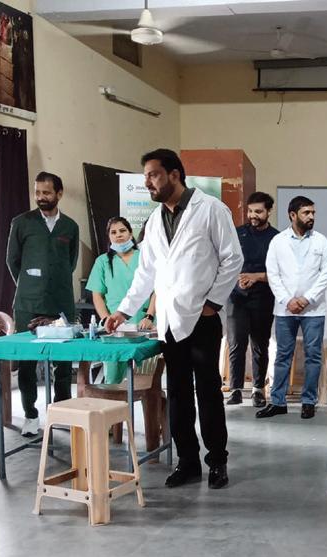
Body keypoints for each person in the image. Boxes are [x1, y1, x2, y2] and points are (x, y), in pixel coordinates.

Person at [105, 149, 243, 490]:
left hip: (202, 318)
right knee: (178, 393)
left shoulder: (210, 209)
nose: (148, 183)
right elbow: (145, 273)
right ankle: (188, 462)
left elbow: (232, 259)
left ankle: (217, 461)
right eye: (145, 177)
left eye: (153, 175)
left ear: (174, 175)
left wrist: (212, 303)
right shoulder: (154, 221)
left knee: (208, 392)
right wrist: (123, 311)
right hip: (169, 321)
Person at [5, 171, 80, 436]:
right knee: (27, 361)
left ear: (59, 194)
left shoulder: (70, 227)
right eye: (37, 192)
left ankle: (61, 411)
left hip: (60, 302)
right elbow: (12, 260)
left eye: (46, 192)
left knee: (63, 361)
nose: (41, 197)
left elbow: (70, 262)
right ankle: (30, 415)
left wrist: (53, 282)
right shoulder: (21, 223)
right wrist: (30, 283)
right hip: (28, 302)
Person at [258, 196, 327, 420]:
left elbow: (326, 274)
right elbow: (273, 274)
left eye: (313, 213)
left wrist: (307, 299)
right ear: (292, 215)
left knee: (313, 356)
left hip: (314, 309)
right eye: (306, 213)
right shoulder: (278, 241)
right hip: (285, 309)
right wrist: (287, 300)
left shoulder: (321, 241)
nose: (311, 217)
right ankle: (278, 402)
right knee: (283, 355)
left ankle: (308, 401)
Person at [226, 192, 281, 408]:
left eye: (258, 211)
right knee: (236, 343)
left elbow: (280, 273)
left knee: (260, 344)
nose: (253, 215)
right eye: (250, 211)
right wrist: (238, 279)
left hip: (263, 297)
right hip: (237, 297)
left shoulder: (277, 239)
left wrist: (256, 277)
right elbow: (225, 262)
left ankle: (258, 389)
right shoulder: (237, 234)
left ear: (269, 211)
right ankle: (235, 389)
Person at [85, 216, 155, 384]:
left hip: (145, 324)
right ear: (109, 237)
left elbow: (157, 290)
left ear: (131, 233)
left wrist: (150, 316)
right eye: (113, 232)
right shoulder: (103, 262)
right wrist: (105, 319)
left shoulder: (145, 257)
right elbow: (97, 294)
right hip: (116, 326)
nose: (118, 235)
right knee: (113, 379)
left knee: (147, 381)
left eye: (122, 231)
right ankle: (113, 402)